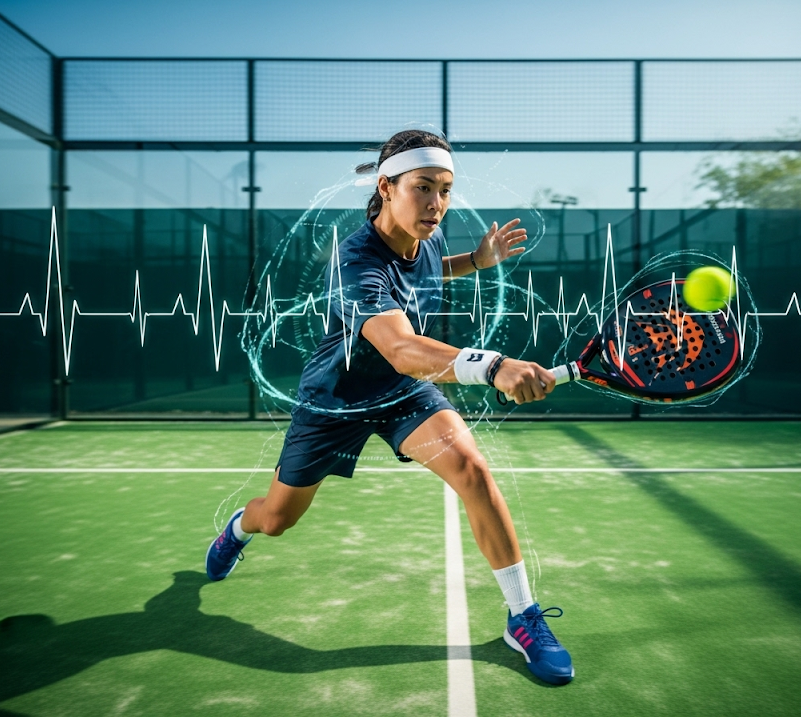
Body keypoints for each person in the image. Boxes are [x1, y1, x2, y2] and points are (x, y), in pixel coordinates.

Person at [206, 129, 574, 685]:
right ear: (386, 187)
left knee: (473, 470)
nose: (436, 204)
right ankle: (238, 528)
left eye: (446, 190)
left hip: (402, 396)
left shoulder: (422, 240)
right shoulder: (354, 259)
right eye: (423, 188)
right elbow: (402, 349)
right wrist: (494, 366)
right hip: (336, 401)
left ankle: (522, 616)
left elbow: (424, 270)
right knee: (277, 518)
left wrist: (474, 260)